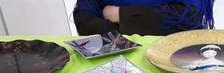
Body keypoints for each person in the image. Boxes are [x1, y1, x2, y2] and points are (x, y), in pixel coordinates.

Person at [73, 0, 214, 36]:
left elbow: (189, 16)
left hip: (175, 55)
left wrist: (120, 15)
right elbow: (84, 17)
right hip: (114, 57)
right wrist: (120, 39)